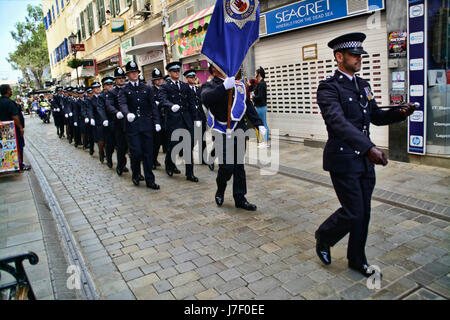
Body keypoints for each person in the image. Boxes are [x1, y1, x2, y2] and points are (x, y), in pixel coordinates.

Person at [314, 33, 416, 278]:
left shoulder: (363, 85)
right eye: (354, 55)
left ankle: (357, 259)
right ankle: (325, 236)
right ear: (339, 57)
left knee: (364, 213)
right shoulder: (329, 87)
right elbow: (338, 123)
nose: (359, 58)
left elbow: (375, 116)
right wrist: (369, 148)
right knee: (353, 211)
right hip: (343, 159)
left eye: (360, 54)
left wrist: (400, 114)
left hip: (362, 161)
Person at [201, 64, 266, 211]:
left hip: (238, 130)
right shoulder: (209, 85)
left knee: (238, 166)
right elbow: (206, 98)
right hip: (221, 131)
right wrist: (223, 87)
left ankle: (240, 198)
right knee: (227, 166)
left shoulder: (238, 85)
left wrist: (258, 124)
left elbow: (247, 105)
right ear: (214, 69)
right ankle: (221, 188)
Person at [118, 61, 161, 189]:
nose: (134, 74)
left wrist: (157, 122)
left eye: (136, 72)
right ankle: (136, 174)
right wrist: (127, 114)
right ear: (128, 75)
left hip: (147, 125)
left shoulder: (146, 88)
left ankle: (150, 180)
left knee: (148, 153)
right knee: (136, 153)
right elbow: (122, 104)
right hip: (133, 127)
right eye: (131, 72)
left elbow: (153, 107)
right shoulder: (125, 90)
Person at [159, 61, 202, 182]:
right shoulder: (165, 86)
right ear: (169, 73)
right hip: (173, 121)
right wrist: (171, 105)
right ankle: (169, 164)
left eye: (178, 70)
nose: (177, 73)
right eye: (174, 71)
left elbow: (192, 103)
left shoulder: (185, 86)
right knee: (173, 146)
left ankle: (190, 173)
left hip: (186, 121)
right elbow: (162, 100)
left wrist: (196, 119)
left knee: (188, 147)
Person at [183, 68, 214, 171]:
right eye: (191, 77)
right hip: (191, 119)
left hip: (200, 117)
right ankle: (189, 160)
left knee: (202, 139)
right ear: (186, 78)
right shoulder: (184, 89)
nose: (193, 78)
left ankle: (203, 158)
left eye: (194, 77)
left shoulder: (198, 89)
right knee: (191, 140)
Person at [105, 67, 130, 176]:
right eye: (119, 78)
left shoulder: (129, 89)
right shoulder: (112, 92)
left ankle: (137, 171)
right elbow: (109, 105)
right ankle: (121, 165)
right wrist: (116, 112)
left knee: (133, 148)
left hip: (130, 122)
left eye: (123, 78)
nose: (121, 80)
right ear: (115, 80)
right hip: (119, 123)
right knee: (121, 147)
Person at [0, 84, 29, 171]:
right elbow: (15, 116)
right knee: (18, 146)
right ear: (8, 91)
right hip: (12, 130)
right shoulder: (10, 102)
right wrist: (20, 127)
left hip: (2, 129)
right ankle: (19, 165)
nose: (11, 91)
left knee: (5, 148)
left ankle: (8, 165)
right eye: (10, 90)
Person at [150, 67, 166, 170]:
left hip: (167, 118)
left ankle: (170, 163)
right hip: (156, 119)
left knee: (167, 142)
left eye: (160, 79)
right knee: (156, 143)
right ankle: (153, 160)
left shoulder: (166, 88)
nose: (159, 81)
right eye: (156, 79)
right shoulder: (151, 90)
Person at [99, 76, 116, 168]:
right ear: (104, 86)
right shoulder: (101, 97)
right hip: (107, 123)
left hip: (117, 122)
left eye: (111, 84)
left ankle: (122, 164)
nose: (110, 86)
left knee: (120, 145)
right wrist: (104, 119)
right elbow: (100, 109)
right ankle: (108, 158)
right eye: (108, 85)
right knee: (110, 144)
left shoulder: (116, 94)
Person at [252, 66, 269, 148]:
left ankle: (265, 142)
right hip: (261, 106)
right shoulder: (261, 83)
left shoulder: (262, 84)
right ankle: (265, 142)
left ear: (259, 74)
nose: (254, 74)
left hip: (261, 107)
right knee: (263, 124)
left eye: (255, 73)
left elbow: (260, 97)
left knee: (263, 124)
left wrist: (253, 97)